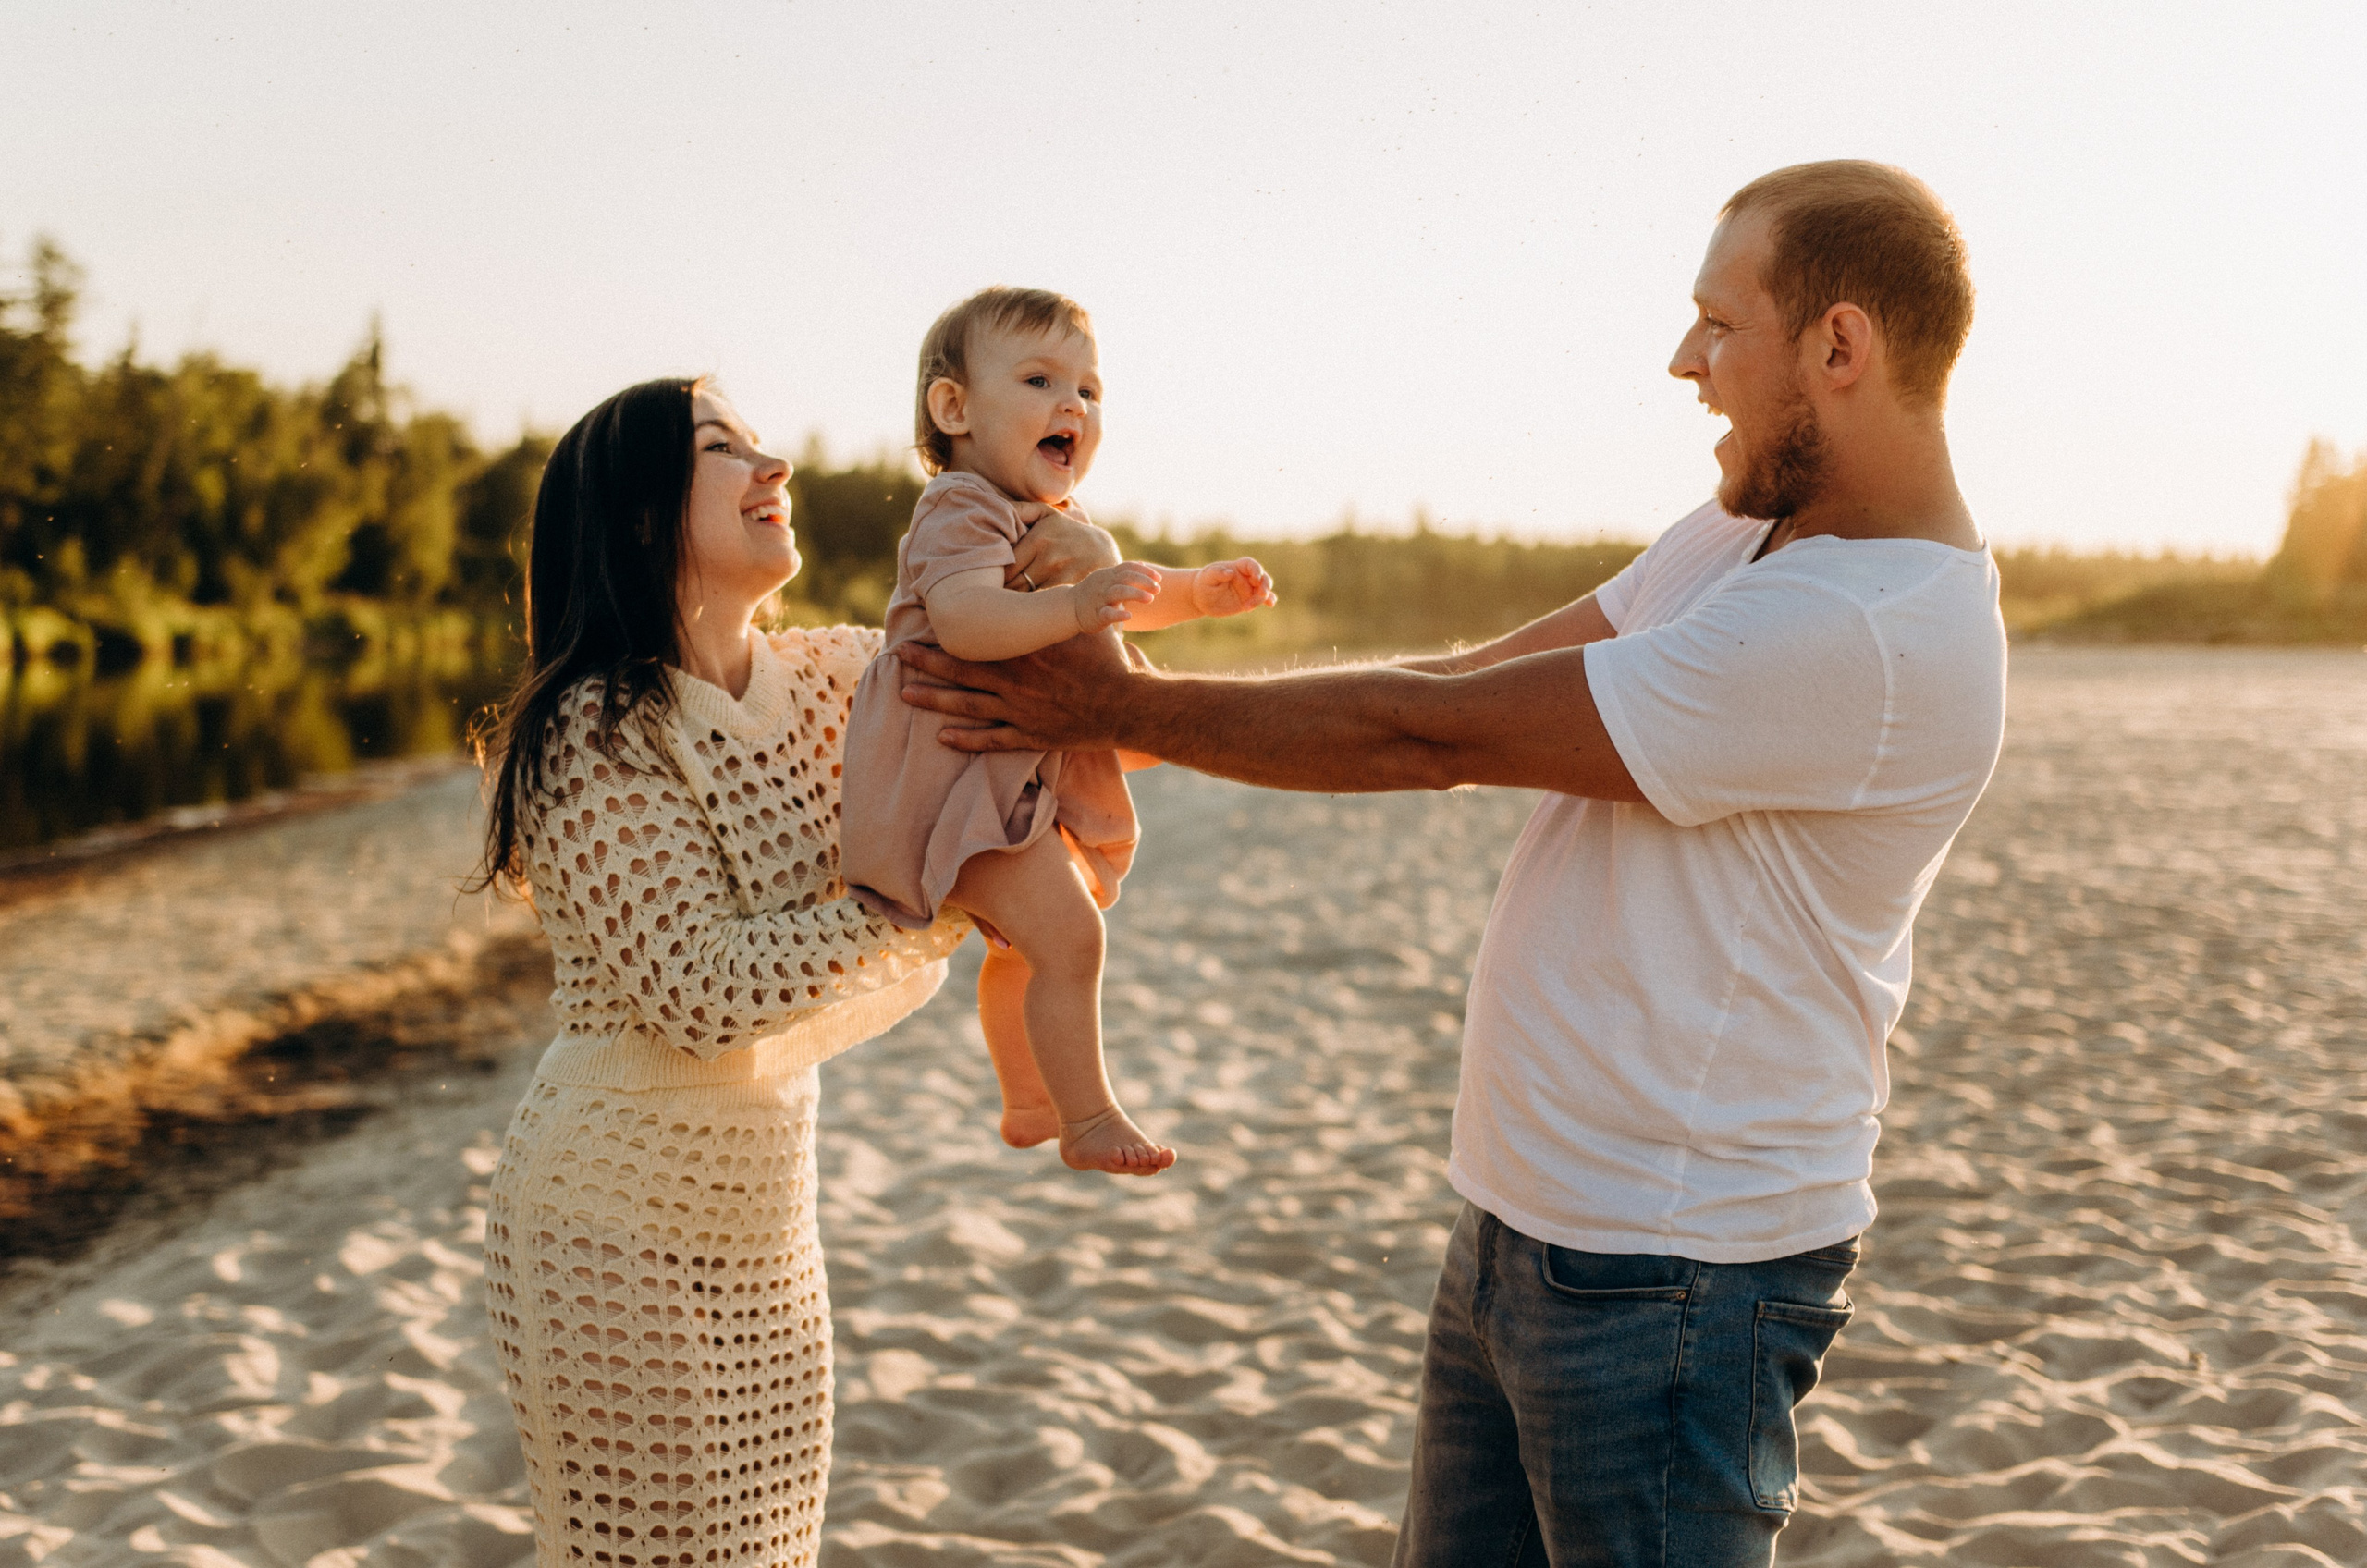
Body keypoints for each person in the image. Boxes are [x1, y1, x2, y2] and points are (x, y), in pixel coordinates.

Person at [895, 161, 2010, 1566]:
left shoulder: (1866, 630)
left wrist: (1110, 709)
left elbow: (1430, 734)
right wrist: (1101, 724)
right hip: (1521, 1232)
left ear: (1839, 347)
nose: (1685, 362)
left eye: (1718, 325)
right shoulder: (1740, 538)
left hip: (1672, 1282)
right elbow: (1454, 678)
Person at [468, 375, 1117, 1565]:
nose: (773, 469)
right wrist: (933, 898)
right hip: (608, 1227)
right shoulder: (590, 728)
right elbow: (707, 992)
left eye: (763, 445)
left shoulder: (837, 677)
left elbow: (1024, 723)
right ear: (641, 516)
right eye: (724, 449)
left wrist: (1078, 563)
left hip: (767, 1225)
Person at [840, 287, 1274, 1175]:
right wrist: (1078, 603)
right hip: (952, 773)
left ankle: (1030, 1098)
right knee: (1072, 939)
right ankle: (1088, 1116)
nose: (1073, 405)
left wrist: (1200, 594)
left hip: (1000, 769)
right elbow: (966, 621)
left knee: (1022, 950)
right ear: (954, 409)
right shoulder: (960, 508)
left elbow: (1127, 597)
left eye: (1090, 389)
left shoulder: (1061, 525)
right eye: (1040, 379)